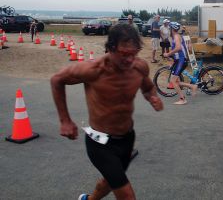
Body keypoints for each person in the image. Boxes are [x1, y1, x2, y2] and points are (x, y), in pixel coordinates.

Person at [50, 24, 163, 200]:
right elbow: (57, 80)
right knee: (126, 195)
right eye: (124, 54)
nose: (129, 59)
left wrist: (152, 97)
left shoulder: (139, 67)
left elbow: (148, 88)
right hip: (99, 142)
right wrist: (65, 120)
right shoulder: (93, 70)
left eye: (134, 53)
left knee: (111, 182)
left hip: (127, 139)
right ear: (110, 48)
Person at [163, 22, 197, 105]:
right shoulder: (176, 36)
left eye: (169, 28)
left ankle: (183, 99)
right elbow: (178, 50)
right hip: (179, 61)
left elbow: (178, 48)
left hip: (181, 61)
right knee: (176, 81)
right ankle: (192, 86)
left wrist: (168, 54)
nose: (169, 30)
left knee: (173, 81)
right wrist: (171, 58)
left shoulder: (176, 36)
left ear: (172, 29)